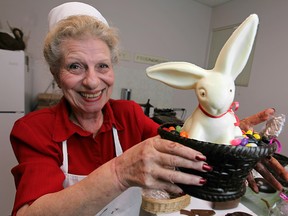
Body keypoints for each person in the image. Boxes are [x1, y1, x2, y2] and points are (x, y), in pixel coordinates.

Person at [9, 2, 286, 216]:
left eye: (102, 66)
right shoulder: (34, 129)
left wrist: (229, 140)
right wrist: (119, 172)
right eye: (75, 66)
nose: (92, 81)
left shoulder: (128, 114)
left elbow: (185, 151)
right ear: (56, 74)